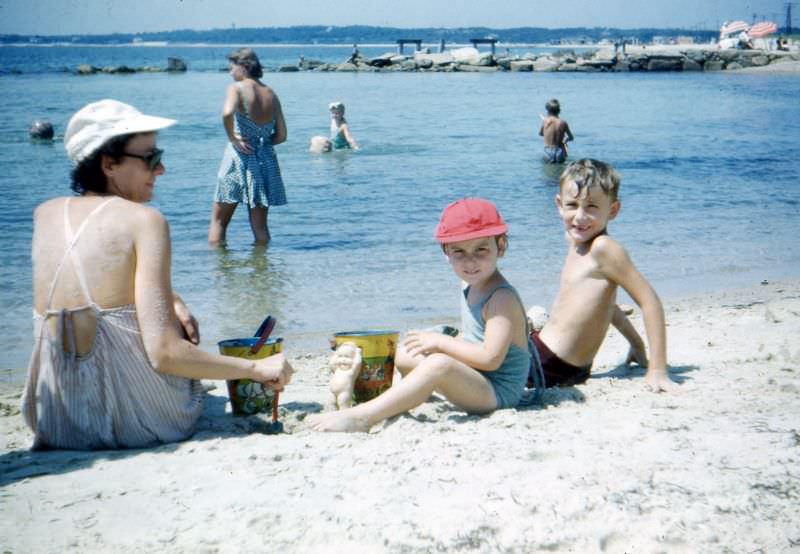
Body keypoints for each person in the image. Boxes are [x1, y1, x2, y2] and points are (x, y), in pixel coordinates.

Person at [21, 99, 293, 450]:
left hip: (54, 417)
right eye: (151, 157)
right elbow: (164, 353)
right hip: (132, 423)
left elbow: (98, 284)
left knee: (162, 313)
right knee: (179, 345)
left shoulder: (45, 214)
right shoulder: (144, 221)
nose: (161, 168)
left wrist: (172, 299)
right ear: (109, 164)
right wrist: (256, 370)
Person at [308, 198, 531, 432]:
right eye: (459, 252)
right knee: (406, 353)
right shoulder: (469, 283)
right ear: (446, 252)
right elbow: (474, 336)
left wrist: (441, 342)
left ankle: (364, 417)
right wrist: (435, 344)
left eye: (481, 249)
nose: (470, 261)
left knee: (439, 364)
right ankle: (417, 393)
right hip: (478, 377)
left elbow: (490, 359)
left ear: (502, 246)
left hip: (498, 392)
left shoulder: (501, 298)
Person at [529, 159, 675, 393]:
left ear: (613, 210)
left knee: (477, 355)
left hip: (548, 364)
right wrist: (636, 344)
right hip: (554, 361)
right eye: (572, 205)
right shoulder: (576, 242)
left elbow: (650, 302)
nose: (579, 216)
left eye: (591, 207)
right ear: (559, 205)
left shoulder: (603, 248)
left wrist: (657, 370)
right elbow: (603, 306)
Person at [209, 47, 287, 245]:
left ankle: (217, 272)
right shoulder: (271, 93)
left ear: (243, 67)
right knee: (260, 227)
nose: (229, 72)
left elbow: (227, 113)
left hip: (239, 157)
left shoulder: (236, 87)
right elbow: (282, 135)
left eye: (231, 67)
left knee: (219, 222)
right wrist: (263, 143)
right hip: (265, 160)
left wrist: (234, 139)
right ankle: (262, 270)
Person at [539, 98, 574, 164]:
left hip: (548, 152)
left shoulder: (545, 122)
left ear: (548, 111)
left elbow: (541, 134)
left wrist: (544, 120)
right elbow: (571, 138)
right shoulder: (563, 122)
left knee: (548, 171)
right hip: (559, 152)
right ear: (559, 111)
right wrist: (566, 140)